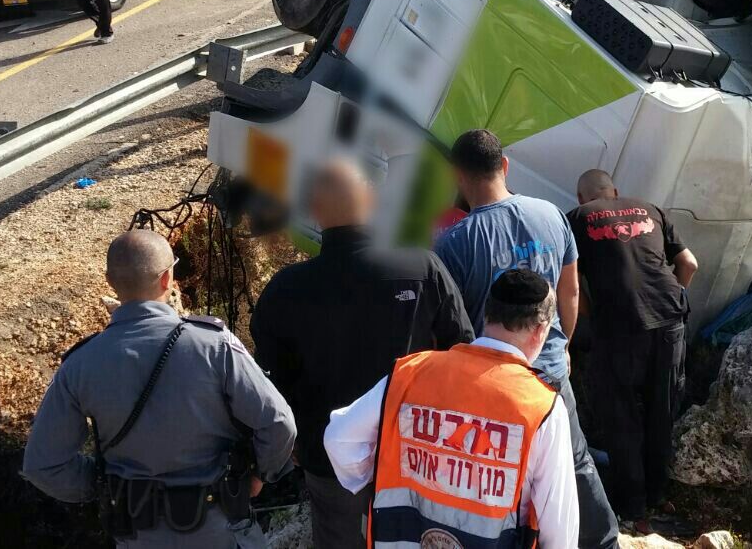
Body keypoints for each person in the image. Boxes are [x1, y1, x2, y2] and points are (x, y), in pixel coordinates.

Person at [251, 160, 474, 549]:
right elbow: (464, 354)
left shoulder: (285, 290)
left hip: (329, 461)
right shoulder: (421, 266)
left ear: (313, 210)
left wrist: (293, 446)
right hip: (416, 454)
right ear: (372, 201)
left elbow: (269, 387)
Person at [23, 231, 296, 547]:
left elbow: (44, 466)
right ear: (168, 278)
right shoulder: (215, 346)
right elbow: (279, 423)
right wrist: (260, 474)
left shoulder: (79, 364)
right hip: (219, 529)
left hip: (137, 536)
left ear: (110, 281)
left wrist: (106, 485)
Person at [433, 129, 621, 548]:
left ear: (456, 176)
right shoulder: (550, 214)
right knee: (574, 463)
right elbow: (571, 290)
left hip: (495, 386)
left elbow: (450, 325)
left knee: (501, 477)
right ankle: (605, 542)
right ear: (504, 165)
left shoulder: (455, 243)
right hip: (551, 372)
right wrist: (563, 343)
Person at [324, 270, 579, 548]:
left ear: (487, 316)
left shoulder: (410, 373)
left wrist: (376, 473)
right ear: (540, 331)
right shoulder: (541, 405)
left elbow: (339, 438)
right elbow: (559, 524)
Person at [567, 169, 699, 531]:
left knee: (620, 416)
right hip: (670, 321)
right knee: (662, 411)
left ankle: (634, 509)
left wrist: (591, 323)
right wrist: (673, 299)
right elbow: (689, 264)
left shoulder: (576, 218)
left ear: (581, 198)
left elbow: (573, 285)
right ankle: (657, 495)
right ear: (615, 190)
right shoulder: (650, 209)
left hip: (619, 329)